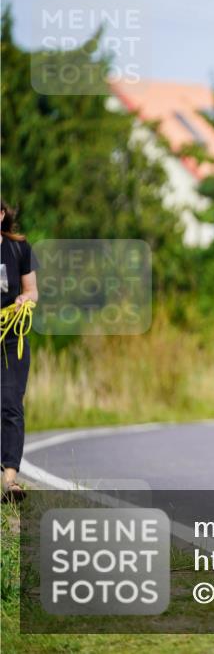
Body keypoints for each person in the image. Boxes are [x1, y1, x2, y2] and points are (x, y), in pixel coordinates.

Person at [1, 199, 38, 503]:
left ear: (2, 215)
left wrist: (24, 300)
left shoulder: (19, 248)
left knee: (11, 402)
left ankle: (10, 479)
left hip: (13, 336)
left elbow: (31, 290)